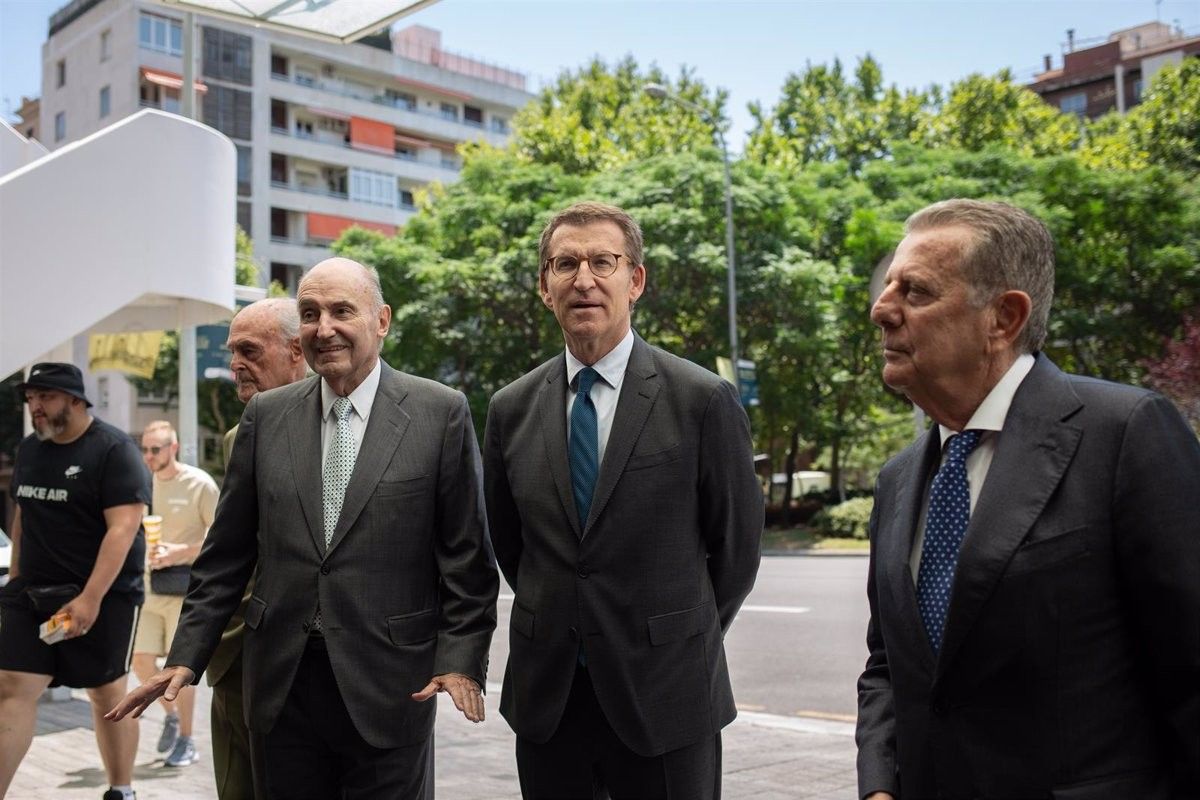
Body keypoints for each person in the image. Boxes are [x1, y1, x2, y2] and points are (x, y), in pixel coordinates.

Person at [109, 258, 498, 799]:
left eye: (342, 311)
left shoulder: (440, 412)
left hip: (390, 686)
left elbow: (466, 558)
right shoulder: (266, 416)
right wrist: (185, 656)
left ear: (381, 320)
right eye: (310, 313)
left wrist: (460, 661)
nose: (324, 327)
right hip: (280, 685)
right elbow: (227, 557)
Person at [857, 199, 1200, 799]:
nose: (881, 310)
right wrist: (881, 785)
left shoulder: (1125, 433)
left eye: (915, 291)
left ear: (1004, 318)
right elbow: (889, 666)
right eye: (889, 288)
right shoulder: (898, 478)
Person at [483, 201, 763, 799]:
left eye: (602, 262)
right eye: (565, 264)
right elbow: (513, 546)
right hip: (549, 700)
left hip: (667, 696)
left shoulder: (702, 399)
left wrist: (672, 637)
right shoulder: (510, 409)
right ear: (544, 286)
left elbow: (736, 552)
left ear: (634, 280)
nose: (583, 279)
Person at [0, 363, 150, 800]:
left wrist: (90, 598)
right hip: (32, 592)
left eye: (44, 397)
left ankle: (122, 789)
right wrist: (14, 582)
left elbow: (123, 529)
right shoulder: (29, 450)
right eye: (30, 400)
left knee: (106, 697)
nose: (36, 408)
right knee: (12, 685)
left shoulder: (112, 450)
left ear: (75, 400)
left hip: (104, 595)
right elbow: (23, 515)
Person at [210, 297, 307, 799]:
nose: (235, 366)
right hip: (235, 661)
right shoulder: (236, 438)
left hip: (317, 664)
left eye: (249, 350)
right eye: (232, 353)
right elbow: (228, 554)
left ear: (298, 349)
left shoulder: (358, 430)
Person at [131, 420, 217, 768]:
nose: (149, 456)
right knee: (139, 661)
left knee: (179, 668)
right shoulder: (141, 483)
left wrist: (177, 552)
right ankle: (170, 716)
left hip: (185, 590)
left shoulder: (199, 484)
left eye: (156, 449)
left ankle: (186, 739)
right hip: (147, 589)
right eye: (145, 449)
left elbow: (220, 538)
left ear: (174, 448)